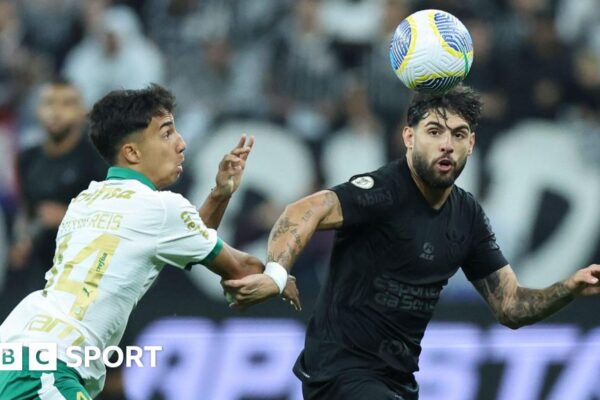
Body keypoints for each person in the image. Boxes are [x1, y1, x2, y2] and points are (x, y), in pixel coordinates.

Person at [223, 85, 600, 399]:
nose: (447, 144)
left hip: (396, 384)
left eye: (459, 133)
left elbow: (510, 306)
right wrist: (275, 273)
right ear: (409, 137)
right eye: (434, 131)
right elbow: (304, 210)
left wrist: (568, 287)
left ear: (472, 143)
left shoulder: (467, 216)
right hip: (339, 376)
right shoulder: (383, 190)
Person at [0, 84, 299, 399]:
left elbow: (187, 239)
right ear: (132, 152)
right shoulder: (161, 208)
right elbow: (240, 269)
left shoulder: (84, 201)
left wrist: (220, 194)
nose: (181, 144)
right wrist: (278, 277)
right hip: (49, 366)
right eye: (167, 134)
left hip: (16, 347)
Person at [10, 78, 107, 288]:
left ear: (82, 111)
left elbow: (117, 218)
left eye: (67, 103)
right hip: (41, 270)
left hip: (88, 271)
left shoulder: (99, 159)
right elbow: (26, 211)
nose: (56, 112)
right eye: (49, 103)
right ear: (38, 110)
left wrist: (66, 215)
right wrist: (22, 239)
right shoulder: (28, 158)